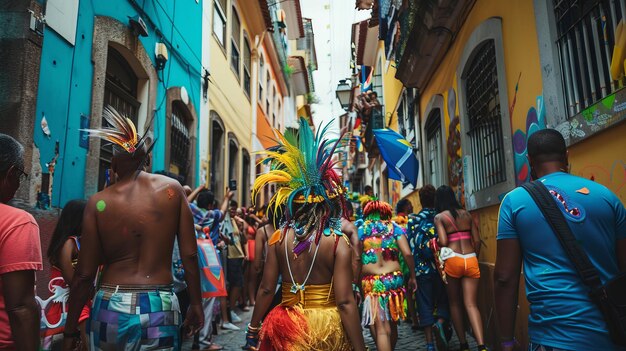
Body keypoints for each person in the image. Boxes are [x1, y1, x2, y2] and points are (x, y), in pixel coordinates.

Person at [62, 106, 203, 350]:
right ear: (145, 160)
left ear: (114, 163)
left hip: (110, 306)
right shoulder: (172, 190)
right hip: (160, 306)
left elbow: (84, 276)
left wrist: (70, 329)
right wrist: (197, 304)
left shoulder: (99, 203)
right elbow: (190, 255)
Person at [495, 129, 626, 351]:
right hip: (611, 335)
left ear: (529, 160)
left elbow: (504, 278)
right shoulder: (606, 196)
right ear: (567, 156)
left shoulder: (514, 202)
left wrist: (507, 340)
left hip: (553, 338)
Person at [244, 118, 366, 351]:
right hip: (325, 328)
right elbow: (345, 301)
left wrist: (253, 328)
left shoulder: (279, 237)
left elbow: (267, 288)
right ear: (327, 204)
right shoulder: (338, 242)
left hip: (286, 325)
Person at [0, 133, 42, 351]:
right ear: (11, 174)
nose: (18, 184)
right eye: (21, 176)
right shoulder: (18, 222)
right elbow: (21, 307)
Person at [359, 200, 417, 351]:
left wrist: (354, 281)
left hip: (372, 283)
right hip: (394, 281)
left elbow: (356, 259)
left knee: (382, 330)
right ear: (387, 213)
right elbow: (408, 254)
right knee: (392, 324)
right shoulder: (394, 228)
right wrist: (412, 276)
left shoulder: (361, 230)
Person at [434, 185, 486, 351]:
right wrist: (473, 257)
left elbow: (443, 241)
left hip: (453, 260)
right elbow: (477, 241)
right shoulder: (467, 214)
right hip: (470, 259)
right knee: (471, 304)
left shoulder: (439, 217)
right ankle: (481, 345)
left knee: (455, 304)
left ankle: (464, 344)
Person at [407, 185, 451, 351]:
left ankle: (429, 344)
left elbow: (411, 247)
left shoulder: (413, 220)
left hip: (420, 270)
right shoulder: (442, 217)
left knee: (424, 304)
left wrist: (412, 273)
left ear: (420, 200)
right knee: (444, 300)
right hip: (442, 267)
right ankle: (440, 323)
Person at [43, 199, 90, 350]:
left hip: (74, 299)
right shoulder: (69, 243)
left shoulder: (79, 242)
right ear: (78, 219)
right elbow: (72, 281)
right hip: (67, 302)